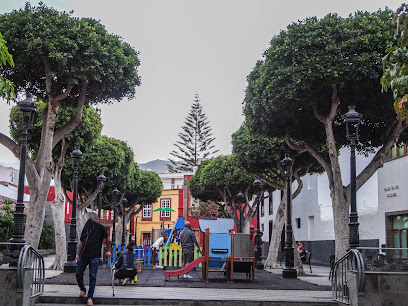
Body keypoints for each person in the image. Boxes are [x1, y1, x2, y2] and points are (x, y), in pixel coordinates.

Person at [75, 210, 111, 306]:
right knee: (78, 273)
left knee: (92, 276)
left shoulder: (101, 228)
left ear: (95, 218)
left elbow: (107, 239)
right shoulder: (86, 227)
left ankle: (90, 297)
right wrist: (78, 255)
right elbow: (81, 241)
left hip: (94, 255)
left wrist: (108, 250)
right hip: (84, 255)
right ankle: (83, 289)